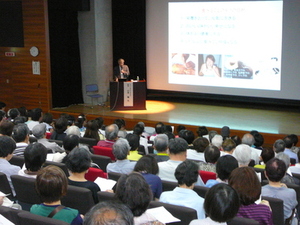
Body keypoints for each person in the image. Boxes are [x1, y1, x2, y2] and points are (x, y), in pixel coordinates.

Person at [262, 158, 297, 223]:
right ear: (284, 175)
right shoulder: (291, 193)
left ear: (265, 174)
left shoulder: (259, 192)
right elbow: (293, 208)